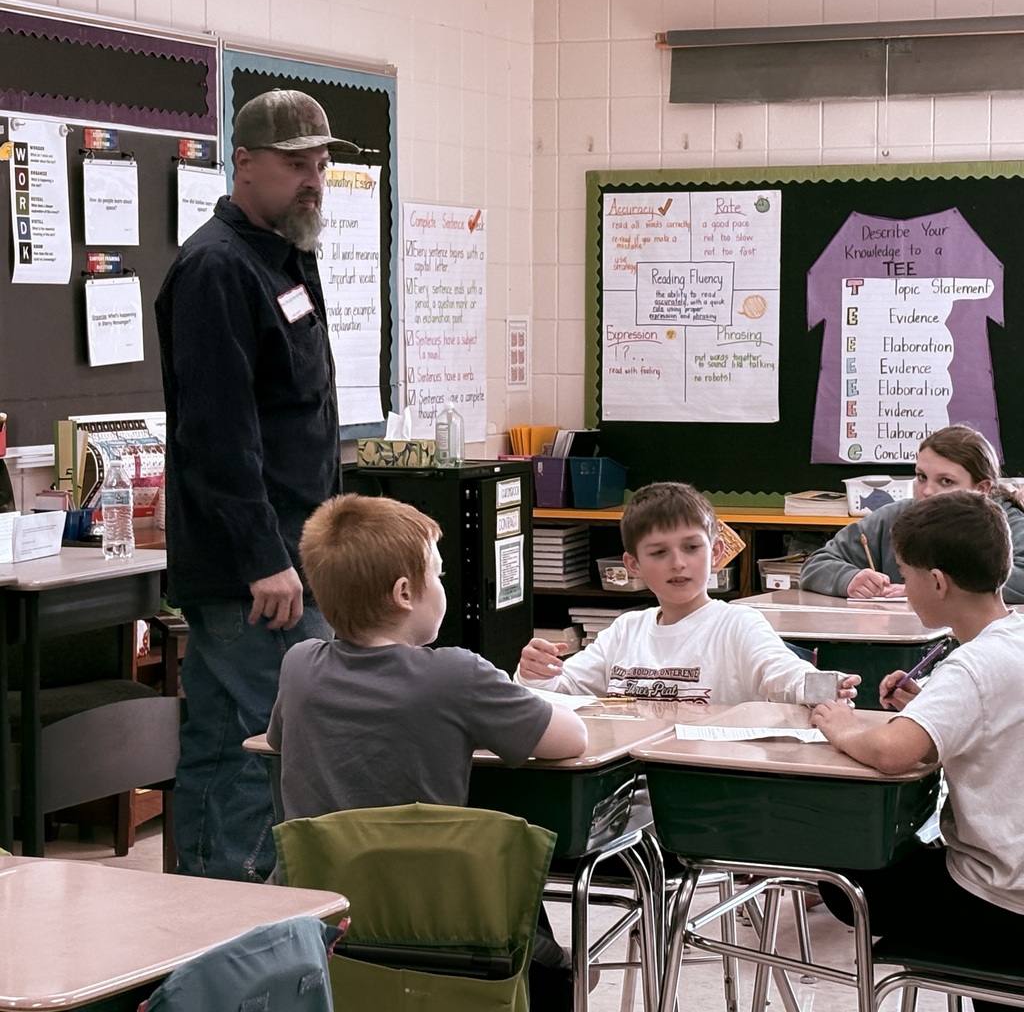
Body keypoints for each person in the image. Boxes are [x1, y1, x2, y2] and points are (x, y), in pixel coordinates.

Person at [267, 492, 588, 1011]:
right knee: (550, 947)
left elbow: (278, 742)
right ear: (404, 593)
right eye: (437, 575)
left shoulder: (300, 665)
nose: (443, 587)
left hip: (322, 915)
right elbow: (571, 739)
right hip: (437, 917)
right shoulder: (456, 674)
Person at [155, 89, 357, 881]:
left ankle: (211, 917)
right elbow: (217, 435)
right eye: (296, 164)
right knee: (263, 748)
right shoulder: (217, 268)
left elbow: (295, 415)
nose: (314, 178)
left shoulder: (284, 255)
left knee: (224, 741)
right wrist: (263, 559)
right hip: (257, 569)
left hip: (294, 552)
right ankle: (242, 928)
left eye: (322, 163)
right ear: (243, 162)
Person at [811, 491, 1024, 1011]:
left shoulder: (973, 664)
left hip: (1001, 903)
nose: (902, 589)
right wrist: (928, 705)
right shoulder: (1014, 635)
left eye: (905, 575)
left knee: (844, 878)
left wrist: (840, 726)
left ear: (937, 581)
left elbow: (892, 752)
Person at [516, 481, 860, 705]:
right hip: (627, 790)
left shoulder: (738, 625)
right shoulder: (625, 631)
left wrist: (822, 687)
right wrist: (535, 673)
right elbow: (559, 694)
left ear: (716, 552)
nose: (678, 563)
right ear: (632, 564)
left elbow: (781, 673)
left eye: (692, 547)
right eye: (659, 553)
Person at [799, 424, 1024, 601]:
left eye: (946, 481)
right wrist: (849, 578)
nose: (927, 491)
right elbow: (817, 563)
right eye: (921, 477)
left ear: (981, 489)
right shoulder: (894, 518)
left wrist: (930, 590)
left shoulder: (1007, 525)